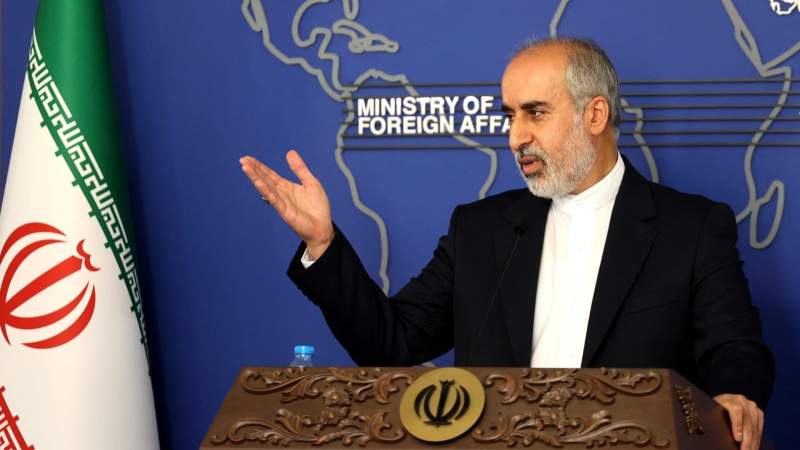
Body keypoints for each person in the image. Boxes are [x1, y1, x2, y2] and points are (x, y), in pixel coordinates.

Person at [240, 37, 773, 450]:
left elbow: (735, 348)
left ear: (594, 115)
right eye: (509, 116)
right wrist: (323, 242)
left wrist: (735, 396)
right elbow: (391, 343)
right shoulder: (480, 229)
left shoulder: (690, 227)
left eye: (535, 113)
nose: (516, 136)